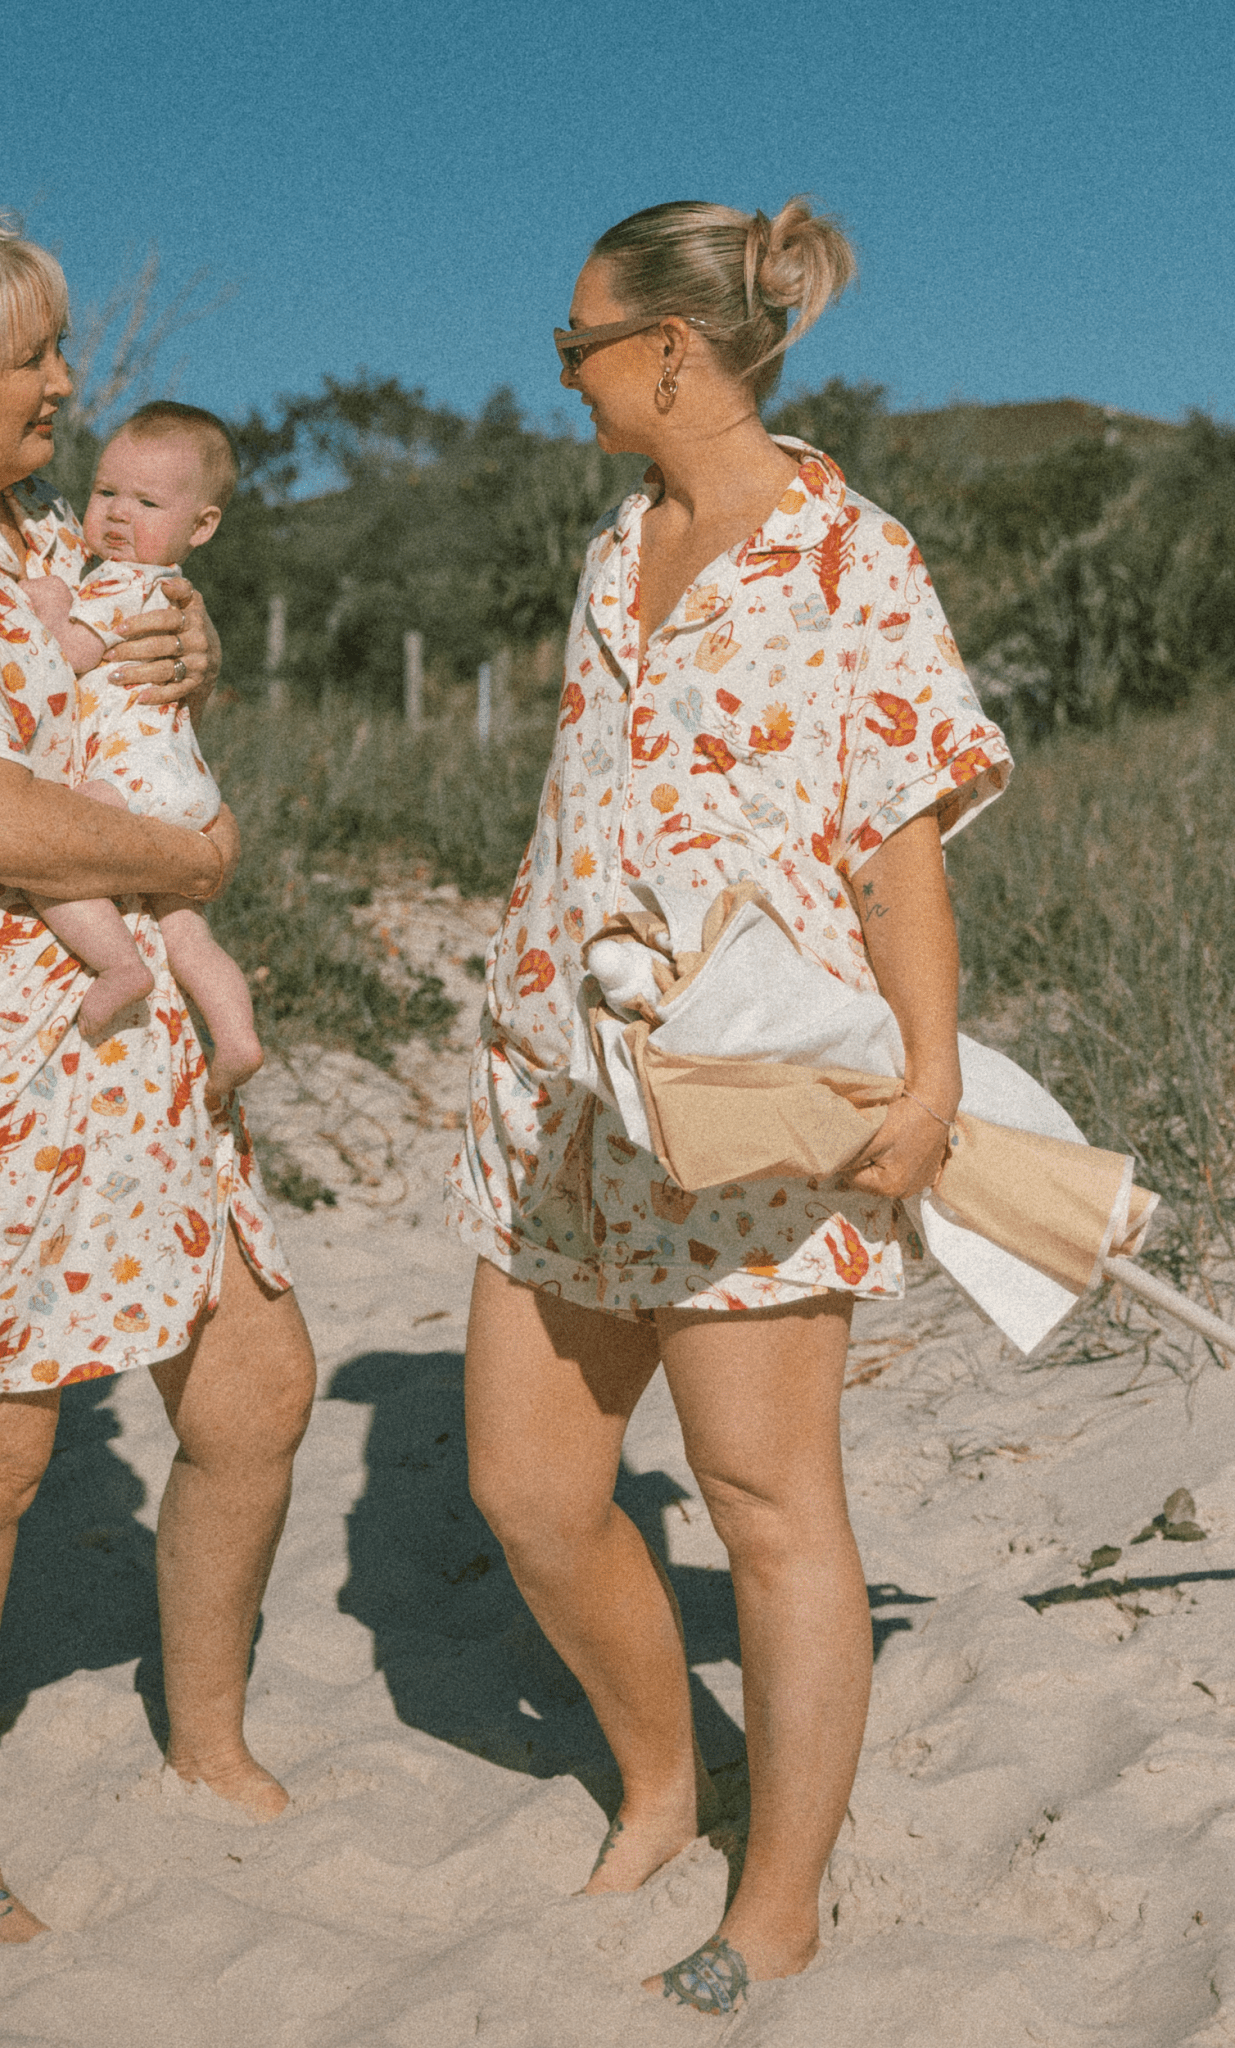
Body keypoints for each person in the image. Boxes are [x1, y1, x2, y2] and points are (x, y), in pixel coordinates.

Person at [445, 198, 1011, 2012]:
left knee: (765, 1500)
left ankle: (778, 1900)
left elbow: (898, 846)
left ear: (668, 349)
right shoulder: (616, 545)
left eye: (577, 343)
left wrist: (928, 1072)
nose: (563, 371)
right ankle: (665, 1774)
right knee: (530, 1490)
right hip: (560, 1086)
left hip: (755, 1095)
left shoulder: (854, 556)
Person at [0, 163, 315, 1943]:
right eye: (30, 359)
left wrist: (191, 651)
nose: (64, 386)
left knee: (254, 1390)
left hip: (125, 1044)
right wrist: (189, 863)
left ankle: (207, 1735)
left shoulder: (39, 541)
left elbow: (114, 701)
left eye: (59, 351)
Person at [21, 402, 263, 1102]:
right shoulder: (176, 594)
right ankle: (237, 1036)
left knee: (53, 855)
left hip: (133, 779)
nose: (119, 514)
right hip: (187, 786)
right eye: (106, 493)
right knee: (188, 934)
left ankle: (119, 965)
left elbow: (70, 653)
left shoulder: (121, 582)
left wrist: (47, 604)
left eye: (148, 502)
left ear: (202, 526)